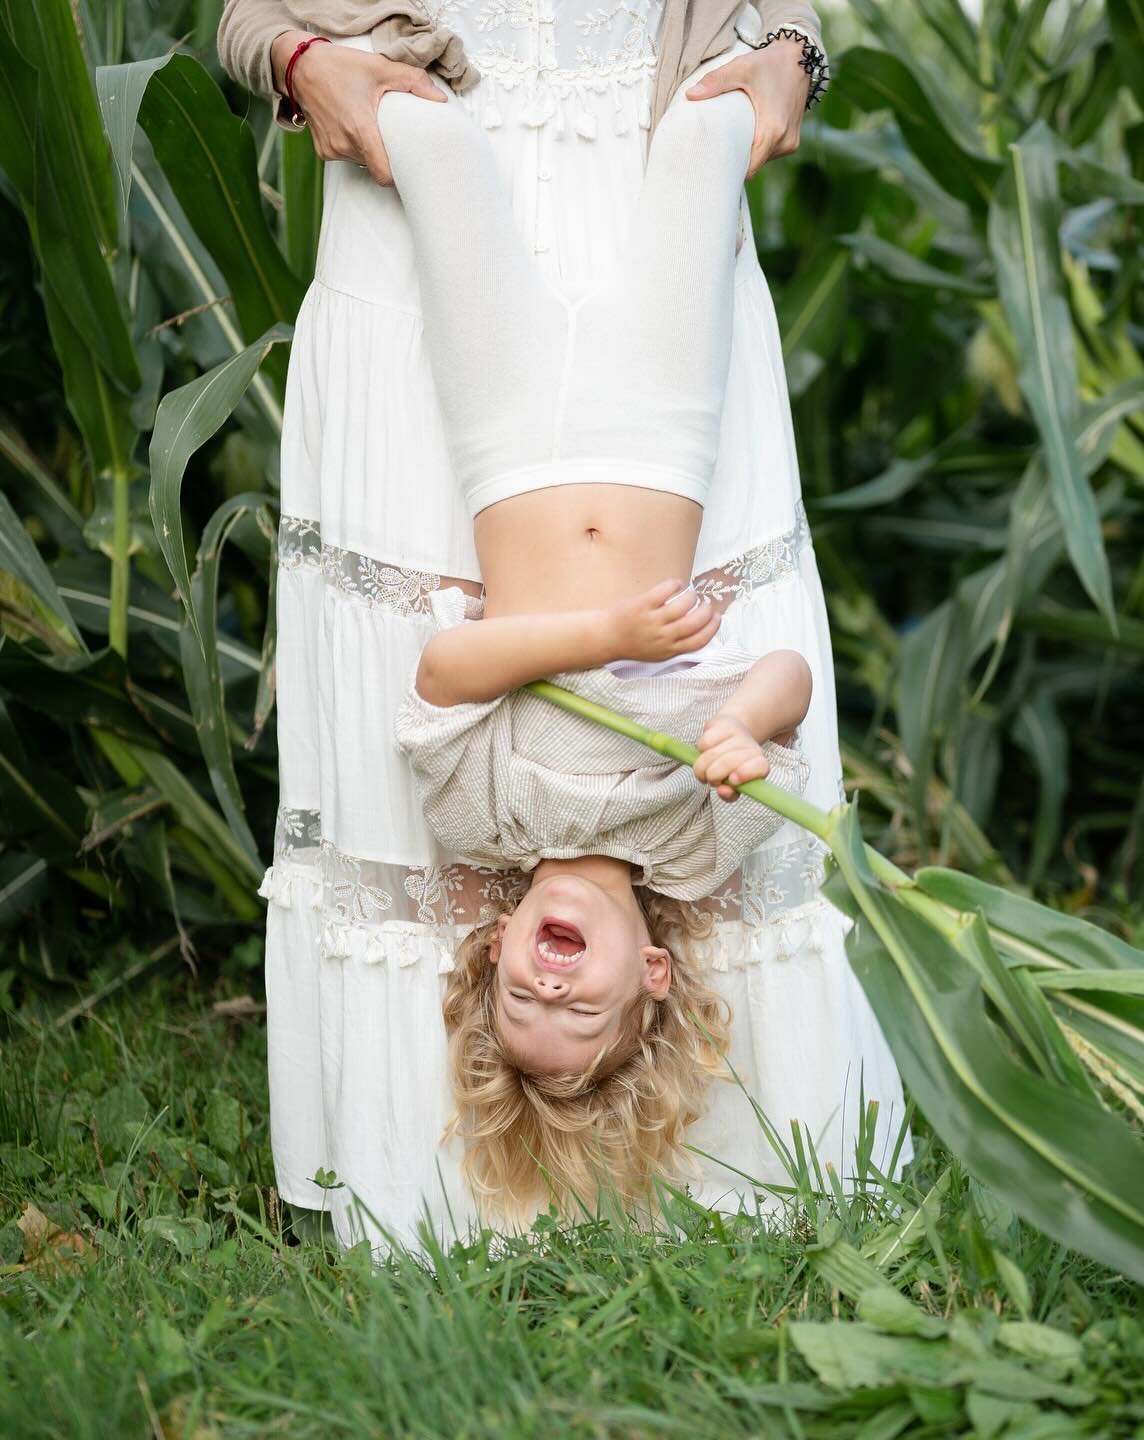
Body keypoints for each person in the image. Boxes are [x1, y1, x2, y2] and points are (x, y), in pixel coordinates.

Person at [220, 0, 911, 1253]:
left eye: (517, 1005)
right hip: (659, 437)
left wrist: (590, 636)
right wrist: (744, 733)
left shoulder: (490, 823)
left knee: (427, 139)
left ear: (482, 957)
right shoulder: (695, 851)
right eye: (579, 1016)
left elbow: (440, 667)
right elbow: (784, 680)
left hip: (506, 451)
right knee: (703, 138)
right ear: (654, 973)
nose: (546, 984)